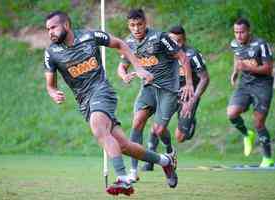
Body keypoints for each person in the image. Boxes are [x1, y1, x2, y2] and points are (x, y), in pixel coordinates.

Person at [43, 11, 178, 196]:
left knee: (98, 127)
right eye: (47, 29)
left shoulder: (90, 36)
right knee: (124, 146)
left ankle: (123, 179)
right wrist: (53, 93)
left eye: (53, 27)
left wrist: (138, 67)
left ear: (66, 25)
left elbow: (120, 44)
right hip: (84, 102)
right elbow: (50, 85)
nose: (50, 32)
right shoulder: (51, 53)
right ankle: (165, 161)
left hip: (101, 91)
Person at [117, 9, 194, 182]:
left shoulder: (159, 38)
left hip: (168, 89)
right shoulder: (128, 42)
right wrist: (124, 75)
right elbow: (122, 66)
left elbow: (183, 57)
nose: (136, 28)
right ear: (128, 26)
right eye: (132, 25)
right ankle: (133, 171)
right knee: (137, 123)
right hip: (148, 88)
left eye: (139, 24)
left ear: (145, 23)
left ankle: (169, 151)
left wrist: (188, 83)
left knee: (159, 130)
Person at [142, 25, 210, 171]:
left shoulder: (192, 55)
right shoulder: (162, 53)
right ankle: (150, 161)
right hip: (170, 93)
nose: (175, 44)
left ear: (184, 40)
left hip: (188, 96)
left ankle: (190, 122)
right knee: (156, 127)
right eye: (172, 40)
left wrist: (192, 99)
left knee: (180, 137)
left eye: (179, 41)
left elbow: (204, 78)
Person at [227, 18, 274, 167]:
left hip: (263, 85)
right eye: (236, 32)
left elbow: (268, 68)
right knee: (232, 113)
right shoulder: (234, 44)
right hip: (245, 85)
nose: (239, 35)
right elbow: (237, 56)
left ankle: (267, 158)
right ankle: (247, 135)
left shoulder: (261, 44)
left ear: (249, 31)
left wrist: (247, 68)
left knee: (259, 122)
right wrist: (235, 72)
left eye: (242, 32)